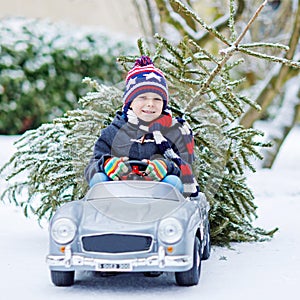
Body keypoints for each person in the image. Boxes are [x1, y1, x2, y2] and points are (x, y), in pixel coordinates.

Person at [84, 55, 199, 198]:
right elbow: (91, 167)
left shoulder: (171, 133)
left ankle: (170, 218)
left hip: (157, 198)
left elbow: (185, 169)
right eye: (143, 98)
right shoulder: (113, 132)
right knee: (98, 180)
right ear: (129, 102)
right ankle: (102, 215)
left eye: (157, 99)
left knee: (173, 182)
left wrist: (165, 167)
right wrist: (106, 164)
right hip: (119, 196)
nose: (150, 104)